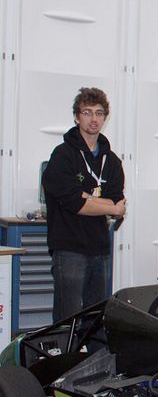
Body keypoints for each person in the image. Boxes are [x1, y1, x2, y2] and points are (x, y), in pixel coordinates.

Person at [42, 87, 126, 322]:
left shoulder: (112, 161)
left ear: (105, 117)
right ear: (77, 117)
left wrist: (87, 198)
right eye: (87, 112)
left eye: (99, 113)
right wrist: (111, 208)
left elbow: (116, 198)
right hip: (69, 248)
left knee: (96, 319)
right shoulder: (62, 155)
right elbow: (74, 203)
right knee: (67, 318)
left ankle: (94, 349)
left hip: (99, 248)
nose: (93, 118)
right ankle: (65, 349)